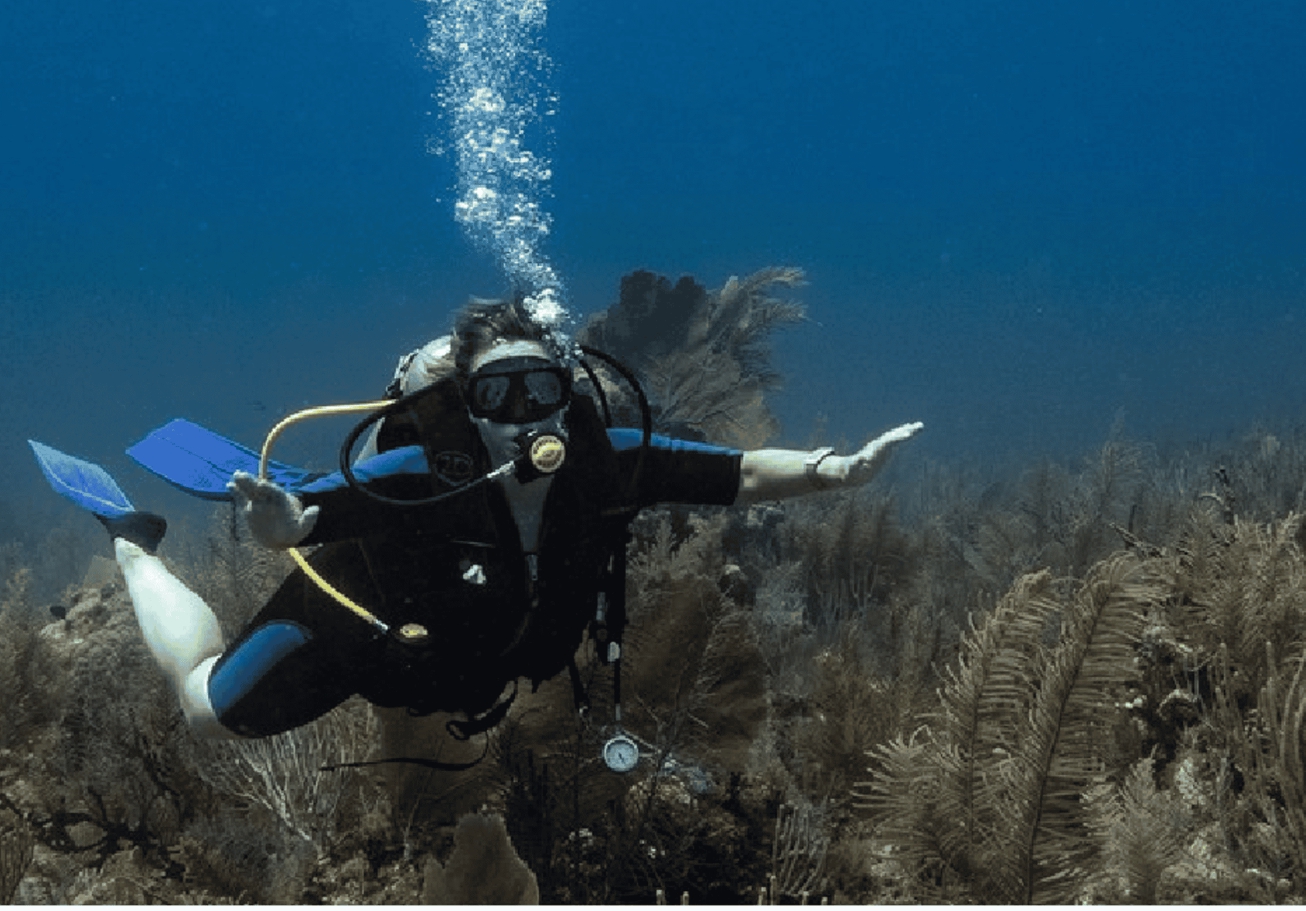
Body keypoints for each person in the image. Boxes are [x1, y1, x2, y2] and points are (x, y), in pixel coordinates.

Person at [37, 299, 922, 742]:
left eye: (542, 389)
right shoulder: (424, 467)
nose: (526, 414)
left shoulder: (604, 457)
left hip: (471, 655)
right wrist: (277, 522)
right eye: (499, 394)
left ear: (564, 391)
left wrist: (832, 471)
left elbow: (733, 472)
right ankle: (132, 544)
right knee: (204, 707)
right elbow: (306, 519)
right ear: (470, 403)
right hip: (360, 626)